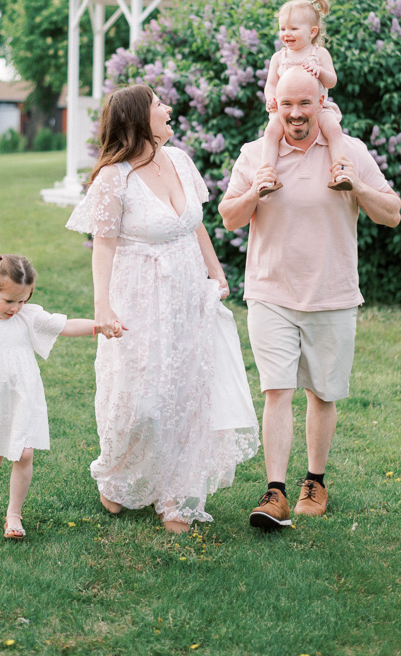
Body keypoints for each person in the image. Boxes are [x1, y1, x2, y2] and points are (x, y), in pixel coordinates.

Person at [66, 84, 259, 534]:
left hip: (188, 292)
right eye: (158, 105)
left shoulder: (181, 162)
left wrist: (216, 273)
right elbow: (103, 247)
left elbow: (196, 226)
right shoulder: (115, 179)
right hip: (138, 297)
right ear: (138, 119)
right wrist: (102, 308)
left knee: (188, 391)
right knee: (142, 401)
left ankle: (174, 494)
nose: (168, 109)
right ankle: (117, 476)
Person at [219, 66, 401, 530]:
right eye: (287, 104)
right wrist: (254, 193)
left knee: (322, 393)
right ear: (274, 106)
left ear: (323, 102)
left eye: (305, 103)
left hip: (332, 295)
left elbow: (392, 213)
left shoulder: (350, 152)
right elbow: (228, 218)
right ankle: (275, 491)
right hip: (271, 292)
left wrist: (356, 187)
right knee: (276, 390)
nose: (296, 113)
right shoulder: (256, 154)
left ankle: (314, 481)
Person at [0, 253, 119, 540]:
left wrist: (99, 326)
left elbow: (66, 325)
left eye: (22, 300)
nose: (16, 307)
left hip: (23, 398)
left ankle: (14, 514)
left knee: (24, 454)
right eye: (9, 301)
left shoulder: (27, 317)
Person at [260, 0, 351, 194]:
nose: (286, 33)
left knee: (334, 130)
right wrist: (270, 98)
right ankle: (267, 177)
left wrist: (321, 72)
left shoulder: (318, 54)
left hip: (318, 109)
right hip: (285, 111)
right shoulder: (279, 57)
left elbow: (332, 81)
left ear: (312, 32)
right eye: (282, 29)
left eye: (293, 28)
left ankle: (341, 172)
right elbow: (270, 84)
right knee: (271, 132)